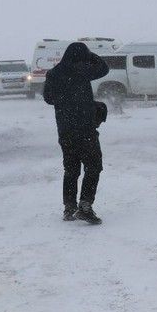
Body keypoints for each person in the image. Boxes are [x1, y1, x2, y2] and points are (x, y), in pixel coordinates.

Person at [42, 42, 110, 224]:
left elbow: (48, 99)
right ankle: (85, 206)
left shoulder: (54, 73)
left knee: (71, 169)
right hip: (85, 129)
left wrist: (64, 100)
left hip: (65, 130)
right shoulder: (82, 71)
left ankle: (69, 208)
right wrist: (91, 56)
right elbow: (104, 68)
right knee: (94, 165)